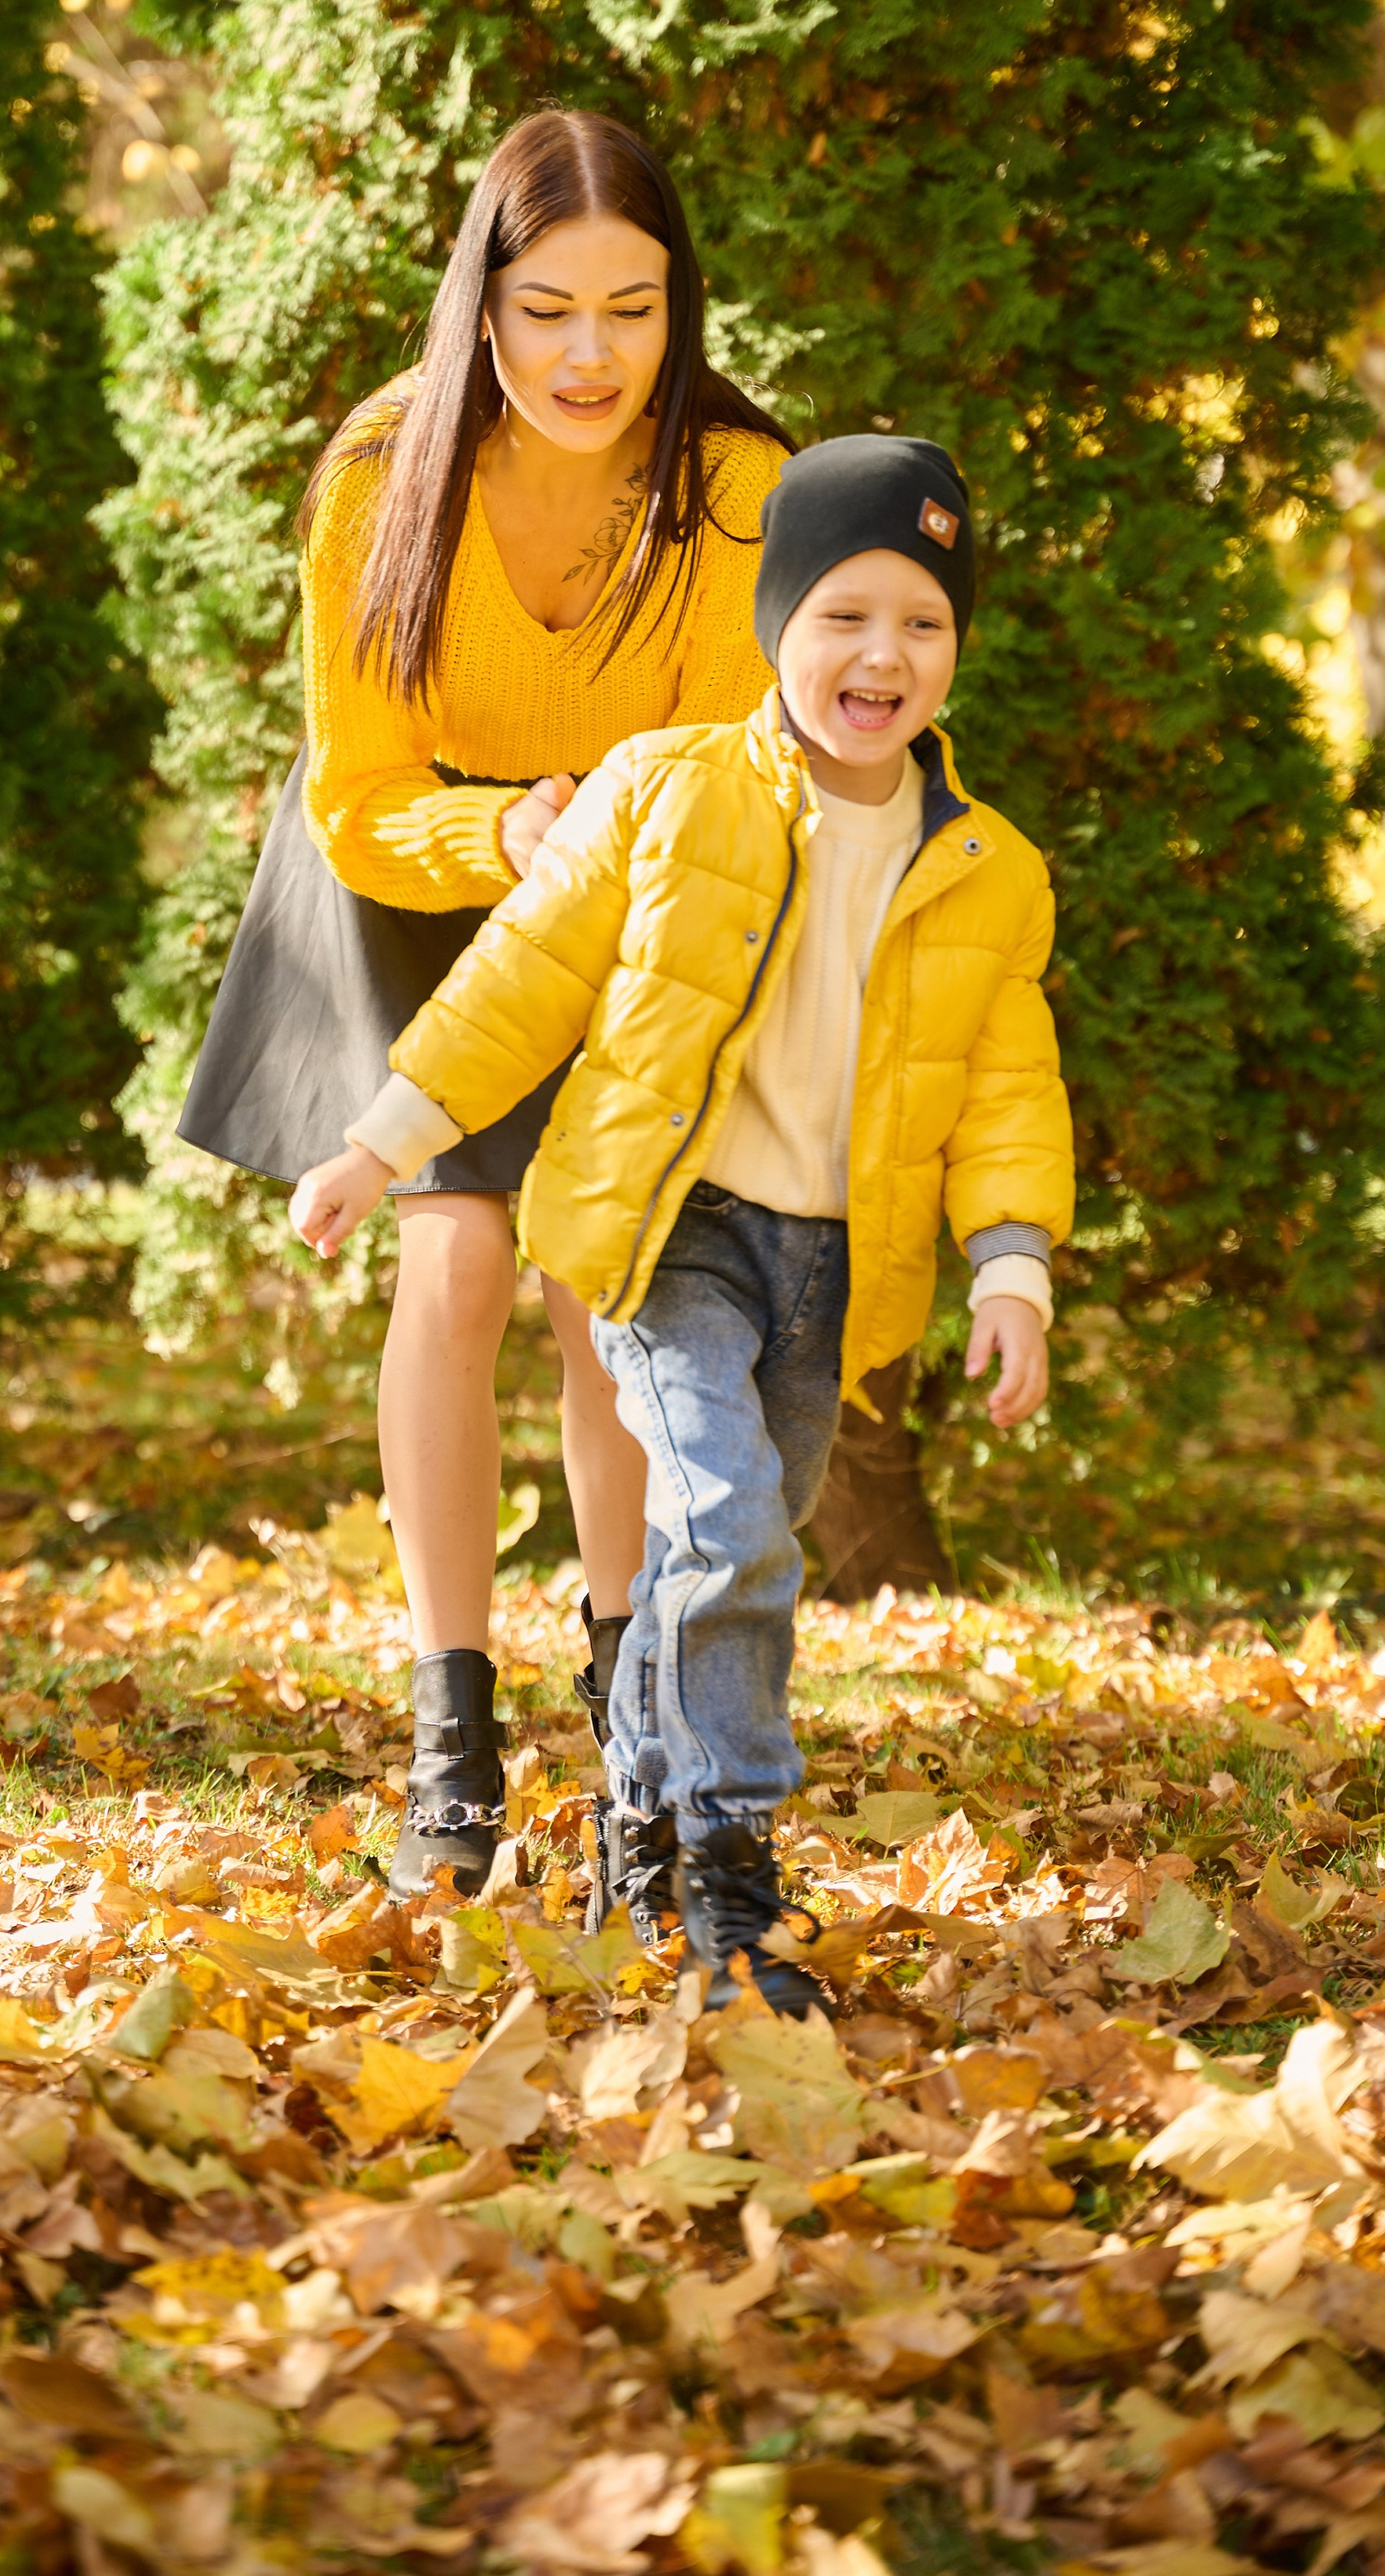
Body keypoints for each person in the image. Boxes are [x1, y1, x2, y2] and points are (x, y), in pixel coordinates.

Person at [287, 435, 1076, 2008]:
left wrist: (1011, 1271)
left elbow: (1005, 1086)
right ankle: (729, 1876)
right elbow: (519, 982)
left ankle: (636, 1804)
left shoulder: (985, 870)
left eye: (920, 624)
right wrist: (381, 1144)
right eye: (842, 613)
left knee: (730, 1539)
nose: (880, 655)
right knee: (718, 1523)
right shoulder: (665, 791)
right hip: (666, 1239)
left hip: (829, 1265)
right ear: (775, 621)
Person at [179, 109, 793, 1898]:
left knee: (589, 1277)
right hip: (408, 864)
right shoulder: (380, 471)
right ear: (481, 303)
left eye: (630, 308)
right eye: (543, 310)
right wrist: (489, 828)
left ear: (679, 309)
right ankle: (452, 1728)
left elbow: (707, 767)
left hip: (630, 885)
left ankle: (630, 1715)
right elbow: (353, 785)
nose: (589, 355)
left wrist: (581, 848)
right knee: (450, 1263)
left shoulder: (734, 488)